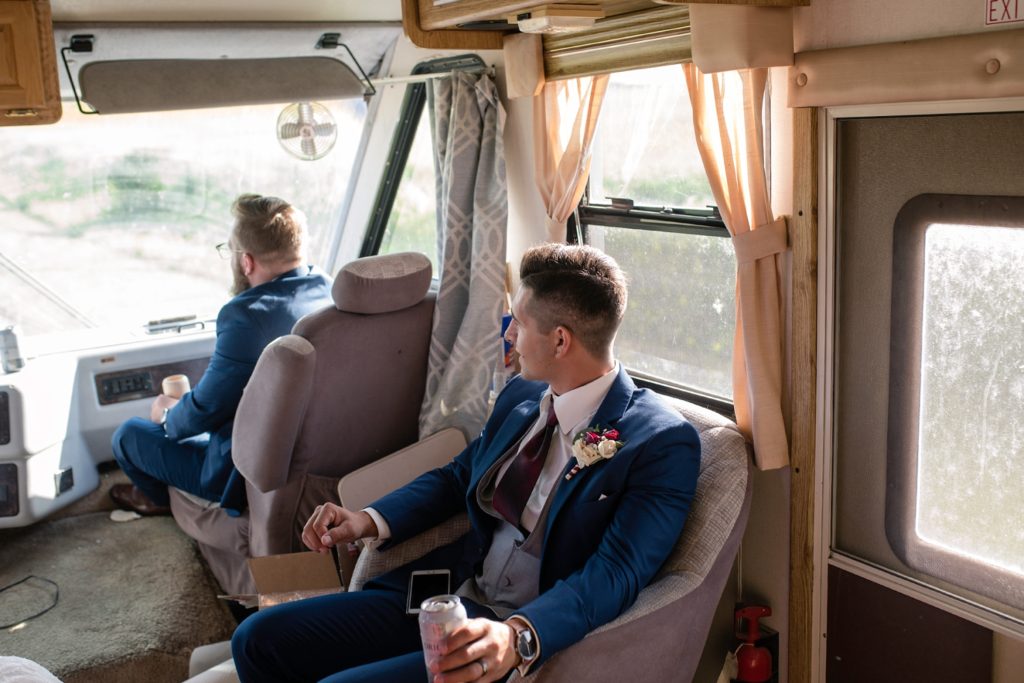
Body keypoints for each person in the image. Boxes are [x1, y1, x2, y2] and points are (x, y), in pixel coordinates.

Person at [231, 243, 701, 682]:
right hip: (450, 592)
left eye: (517, 321)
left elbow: (616, 572)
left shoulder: (660, 442)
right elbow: (458, 477)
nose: (508, 334)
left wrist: (517, 636)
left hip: (514, 630)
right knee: (256, 640)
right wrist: (365, 520)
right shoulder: (523, 393)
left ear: (560, 342)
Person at [110, 194, 333, 516]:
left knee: (129, 434)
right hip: (310, 447)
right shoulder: (328, 289)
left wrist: (168, 415)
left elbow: (206, 410)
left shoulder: (245, 315)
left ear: (246, 261)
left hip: (239, 468)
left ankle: (157, 502)